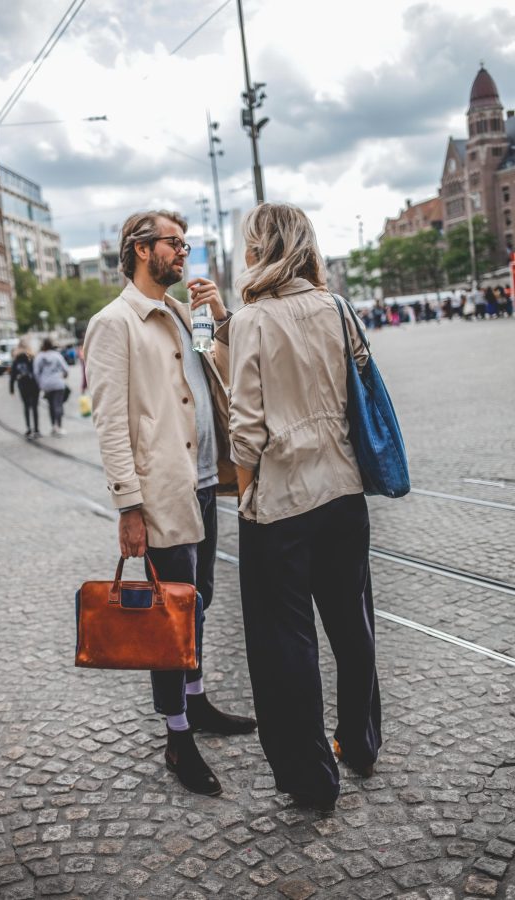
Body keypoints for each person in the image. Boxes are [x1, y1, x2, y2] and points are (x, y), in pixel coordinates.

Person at [84, 209, 256, 798]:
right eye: (173, 244)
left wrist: (215, 316)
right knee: (170, 615)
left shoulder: (185, 312)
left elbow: (222, 379)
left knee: (197, 601)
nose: (184, 253)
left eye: (185, 243)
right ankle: (178, 737)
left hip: (204, 482)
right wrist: (128, 505)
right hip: (160, 493)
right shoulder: (115, 323)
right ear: (140, 249)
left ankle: (197, 701)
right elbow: (109, 423)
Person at [220, 203, 382, 810]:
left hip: (282, 502)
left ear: (261, 248)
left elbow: (246, 431)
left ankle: (312, 775)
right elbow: (360, 389)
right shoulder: (336, 307)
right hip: (343, 492)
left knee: (285, 639)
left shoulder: (254, 320)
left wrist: (245, 492)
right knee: (351, 622)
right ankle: (361, 741)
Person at [33, 338, 68, 436]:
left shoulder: (39, 357)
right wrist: (64, 376)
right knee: (58, 405)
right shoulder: (57, 355)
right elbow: (65, 369)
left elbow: (36, 372)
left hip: (46, 384)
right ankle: (59, 426)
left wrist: (40, 384)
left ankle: (53, 426)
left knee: (51, 405)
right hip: (58, 383)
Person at [10, 341, 40, 438]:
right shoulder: (32, 358)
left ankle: (28, 428)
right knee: (35, 407)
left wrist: (11, 388)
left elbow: (13, 375)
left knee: (26, 407)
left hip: (23, 386)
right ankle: (36, 429)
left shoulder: (16, 360)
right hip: (34, 385)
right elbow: (37, 372)